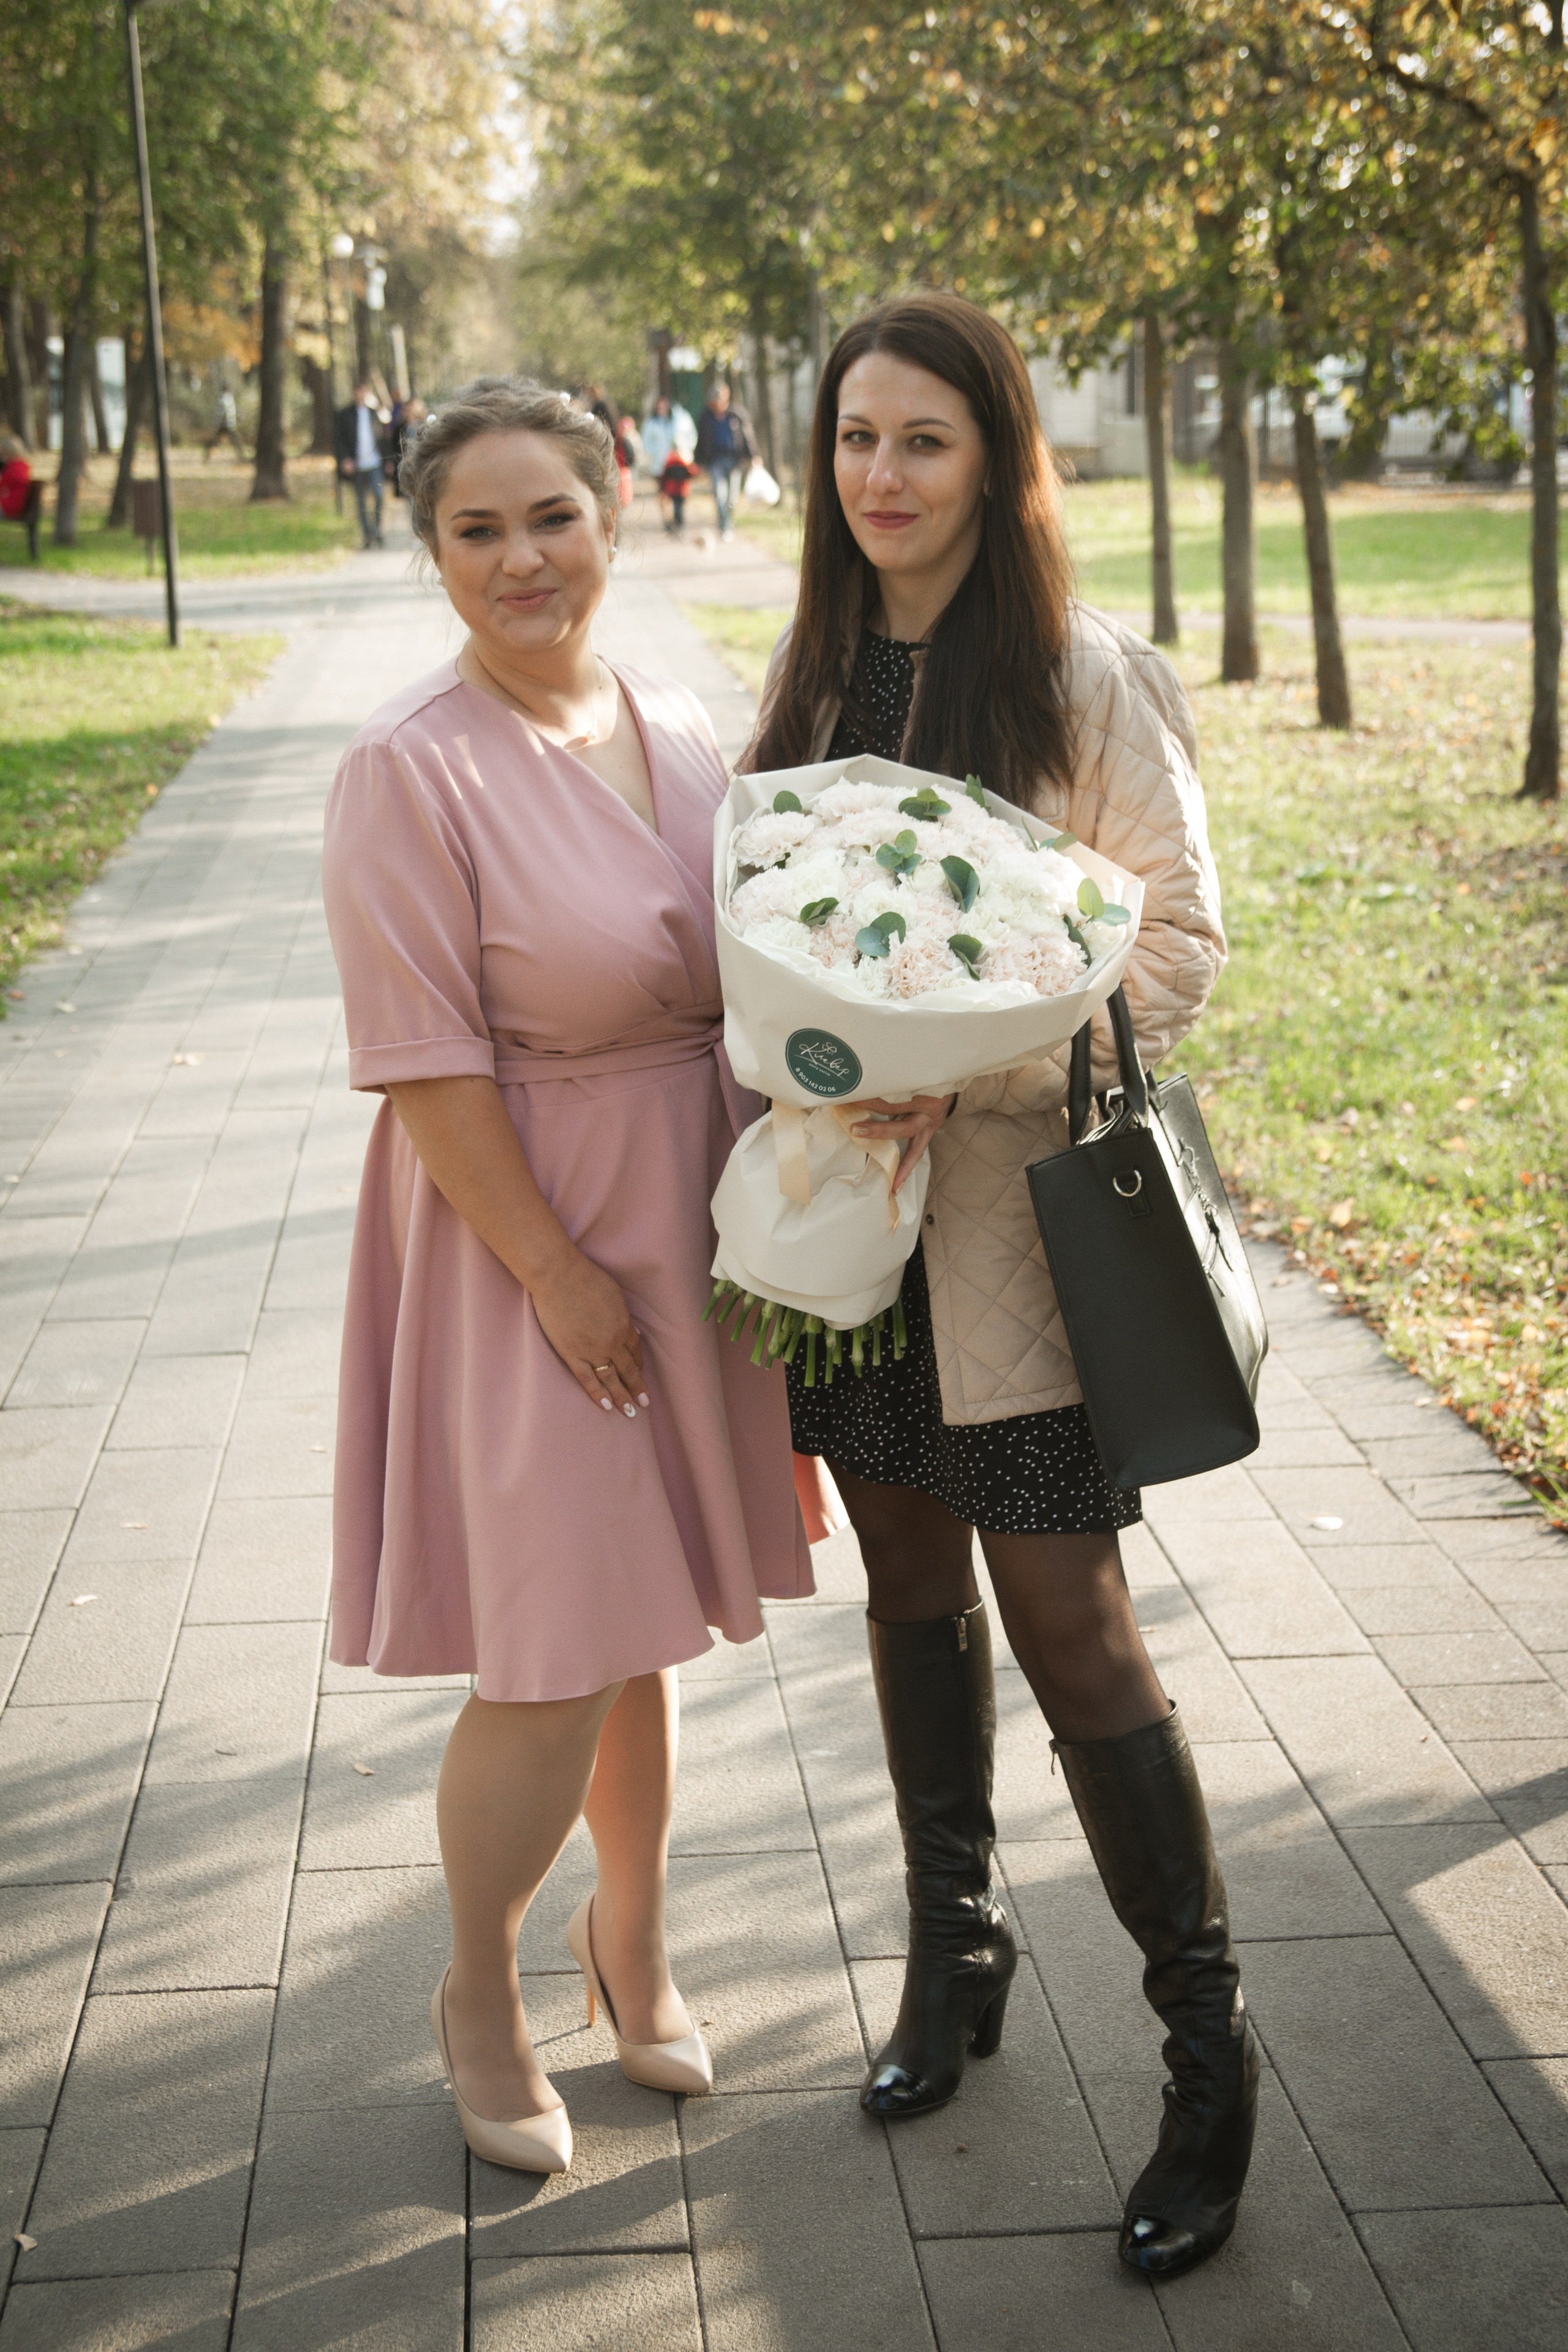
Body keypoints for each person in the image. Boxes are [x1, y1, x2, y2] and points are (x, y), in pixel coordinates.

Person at [745, 292, 1250, 2282]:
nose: (883, 474)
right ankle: (954, 1951)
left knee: (1072, 1624)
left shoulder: (1079, 674)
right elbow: (769, 924)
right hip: (849, 1242)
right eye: (857, 438)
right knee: (903, 1582)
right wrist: (799, 1040)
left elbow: (1173, 946)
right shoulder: (815, 667)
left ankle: (1208, 2057)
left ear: (996, 457)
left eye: (924, 440)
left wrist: (960, 1064)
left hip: (1012, 1239)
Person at [320, 377, 812, 2175]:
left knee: (641, 1616)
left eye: (553, 516)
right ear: (432, 546)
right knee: (551, 1647)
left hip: (690, 1209)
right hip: (523, 1228)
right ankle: (476, 1988)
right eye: (478, 528)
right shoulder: (408, 767)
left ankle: (635, 1941)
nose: (521, 557)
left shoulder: (675, 716)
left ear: (617, 513)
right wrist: (554, 1271)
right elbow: (425, 1064)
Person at [694, 380, 756, 540]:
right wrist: (698, 462)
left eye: (719, 399)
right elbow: (700, 441)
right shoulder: (705, 417)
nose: (717, 404)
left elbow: (748, 436)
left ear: (726, 397)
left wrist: (754, 455)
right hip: (715, 462)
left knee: (732, 499)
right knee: (720, 495)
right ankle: (724, 527)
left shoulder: (737, 414)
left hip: (735, 461)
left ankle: (729, 522)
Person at [334, 380, 386, 548]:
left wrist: (388, 461)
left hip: (375, 463)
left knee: (379, 495)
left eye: (363, 391)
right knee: (361, 502)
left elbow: (382, 437)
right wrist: (346, 459)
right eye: (358, 391)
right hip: (358, 465)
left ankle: (377, 530)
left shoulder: (374, 413)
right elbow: (340, 440)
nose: (361, 395)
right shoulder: (345, 415)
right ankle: (367, 535)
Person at [657, 446, 697, 534]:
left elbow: (663, 477)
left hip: (677, 490)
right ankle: (679, 526)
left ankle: (678, 526)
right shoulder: (680, 463)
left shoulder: (672, 463)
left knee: (678, 508)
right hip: (679, 490)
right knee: (678, 508)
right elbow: (693, 473)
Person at [203, 383, 242, 461]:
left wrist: (216, 423)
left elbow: (222, 413)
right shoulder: (228, 399)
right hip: (227, 424)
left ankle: (208, 456)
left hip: (226, 424)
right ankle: (242, 457)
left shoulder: (225, 399)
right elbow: (223, 413)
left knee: (217, 442)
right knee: (235, 441)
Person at [0, 434, 31, 520]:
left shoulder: (15, 469)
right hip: (11, 504)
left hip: (10, 507)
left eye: (3, 453)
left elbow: (2, 485)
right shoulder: (20, 466)